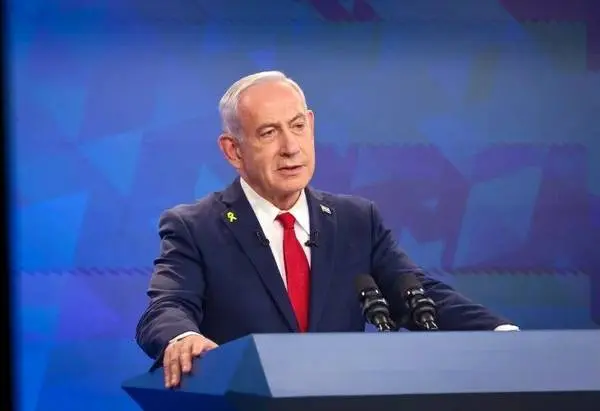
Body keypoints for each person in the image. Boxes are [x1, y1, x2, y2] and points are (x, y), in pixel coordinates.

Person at [135, 71, 518, 388]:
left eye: (297, 126)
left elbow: (417, 294)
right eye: (269, 133)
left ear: (311, 125)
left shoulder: (356, 220)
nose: (291, 147)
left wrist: (500, 334)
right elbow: (167, 307)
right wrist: (183, 337)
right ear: (233, 150)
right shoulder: (195, 227)